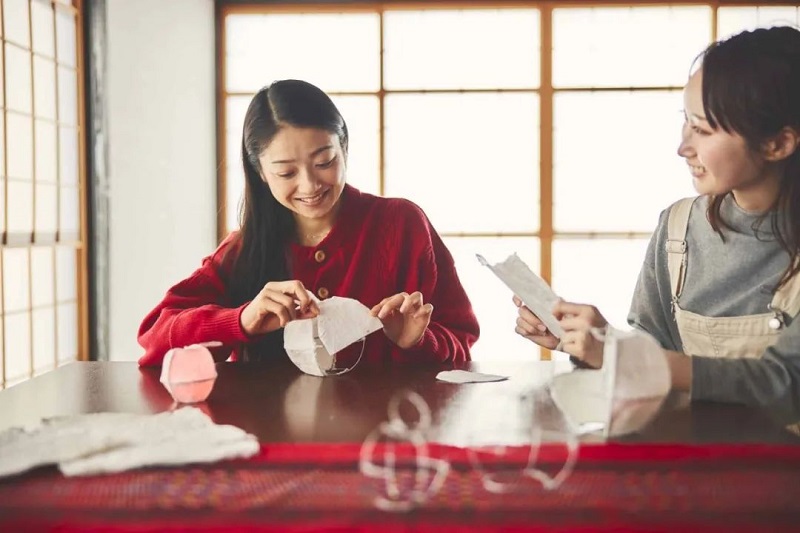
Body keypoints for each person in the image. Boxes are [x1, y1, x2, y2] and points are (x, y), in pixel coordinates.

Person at [515, 26, 800, 418]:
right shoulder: (678, 228)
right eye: (686, 121)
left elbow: (784, 383)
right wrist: (590, 344)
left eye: (702, 129)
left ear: (778, 144)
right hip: (692, 461)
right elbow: (651, 351)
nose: (683, 147)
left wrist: (624, 354)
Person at [138, 79, 479, 366]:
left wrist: (418, 341)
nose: (310, 186)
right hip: (269, 433)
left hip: (386, 434)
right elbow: (155, 339)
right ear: (260, 174)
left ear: (344, 148)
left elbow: (462, 346)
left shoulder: (402, 225)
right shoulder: (244, 248)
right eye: (286, 172)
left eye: (325, 162)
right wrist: (242, 320)